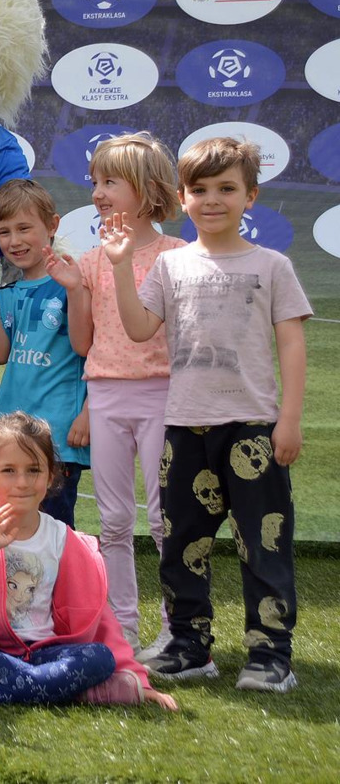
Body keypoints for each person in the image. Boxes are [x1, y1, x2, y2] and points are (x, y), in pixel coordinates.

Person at [104, 136, 310, 693]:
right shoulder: (170, 264)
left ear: (251, 196)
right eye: (199, 189)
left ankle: (271, 655)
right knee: (181, 545)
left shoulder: (273, 266)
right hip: (184, 428)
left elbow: (291, 344)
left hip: (252, 427)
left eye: (227, 188)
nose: (212, 199)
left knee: (262, 545)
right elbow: (139, 329)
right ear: (182, 197)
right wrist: (120, 267)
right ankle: (189, 646)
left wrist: (288, 420)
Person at [0, 413, 177, 710]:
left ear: (50, 476)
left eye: (33, 470)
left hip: (47, 653)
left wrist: (141, 681)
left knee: (100, 658)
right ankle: (66, 690)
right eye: (8, 470)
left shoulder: (63, 538)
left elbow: (100, 616)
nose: (22, 482)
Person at [45, 132, 183, 655]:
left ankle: (180, 629)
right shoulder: (89, 260)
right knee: (115, 519)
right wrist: (75, 290)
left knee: (166, 519)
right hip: (105, 395)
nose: (98, 193)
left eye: (111, 182)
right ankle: (123, 629)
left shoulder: (178, 256)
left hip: (164, 396)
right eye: (95, 182)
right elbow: (83, 343)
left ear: (148, 190)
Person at [0, 179, 89, 526]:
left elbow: (86, 347)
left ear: (52, 225)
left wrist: (89, 412)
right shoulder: (8, 291)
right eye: (4, 232)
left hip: (57, 437)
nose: (14, 241)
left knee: (52, 529)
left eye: (24, 228)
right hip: (6, 433)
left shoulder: (74, 283)